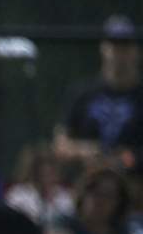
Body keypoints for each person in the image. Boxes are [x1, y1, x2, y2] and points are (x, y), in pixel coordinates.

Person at [54, 15, 142, 179]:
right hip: (87, 189)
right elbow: (60, 144)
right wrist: (86, 152)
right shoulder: (82, 93)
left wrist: (127, 159)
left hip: (135, 191)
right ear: (103, 48)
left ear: (136, 51)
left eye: (125, 46)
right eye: (114, 46)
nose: (119, 54)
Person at [5, 145, 74, 228]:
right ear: (34, 173)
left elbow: (70, 223)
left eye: (51, 173)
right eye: (43, 174)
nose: (47, 178)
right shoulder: (18, 195)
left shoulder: (63, 197)